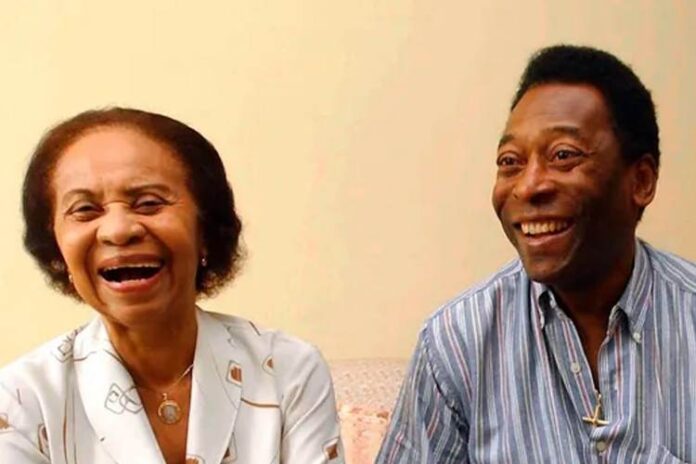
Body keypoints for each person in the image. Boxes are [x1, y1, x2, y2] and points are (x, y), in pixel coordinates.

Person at [377, 45, 696, 463]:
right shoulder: (456, 344)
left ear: (641, 181)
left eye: (563, 156)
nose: (528, 187)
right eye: (510, 161)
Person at [0, 108, 344, 463]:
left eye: (149, 203)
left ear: (205, 230)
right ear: (56, 248)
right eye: (85, 210)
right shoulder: (20, 400)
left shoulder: (288, 369)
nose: (118, 230)